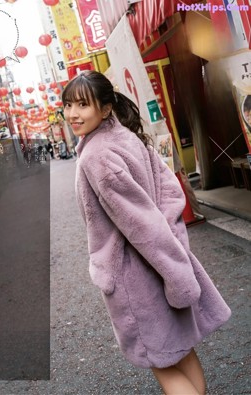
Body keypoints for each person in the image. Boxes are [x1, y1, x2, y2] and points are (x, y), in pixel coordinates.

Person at [62, 70, 231, 395]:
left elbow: (142, 226)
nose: (72, 114)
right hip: (161, 265)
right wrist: (177, 252)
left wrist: (176, 274)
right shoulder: (127, 137)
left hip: (136, 279)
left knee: (162, 361)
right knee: (180, 350)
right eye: (68, 105)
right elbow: (169, 196)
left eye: (82, 105)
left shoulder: (97, 156)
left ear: (106, 107)